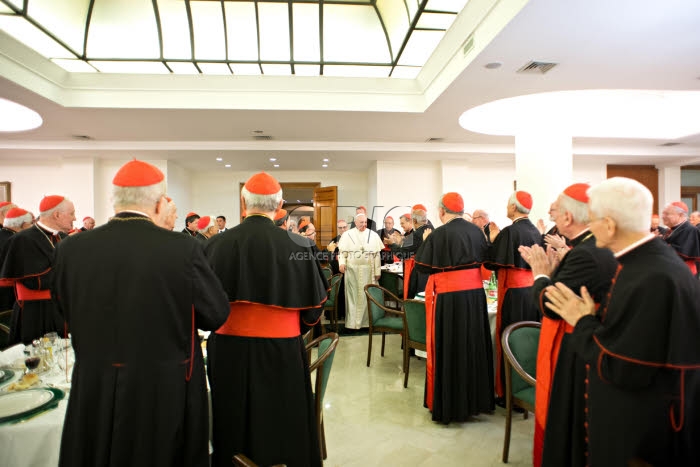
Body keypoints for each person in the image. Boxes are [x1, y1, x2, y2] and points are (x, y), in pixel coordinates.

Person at [51, 159, 229, 467]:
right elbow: (214, 314)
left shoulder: (71, 248)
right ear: (160, 203)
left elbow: (62, 308)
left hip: (95, 380)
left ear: (115, 200)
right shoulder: (182, 248)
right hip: (163, 385)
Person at [544, 177, 700, 467]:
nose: (589, 227)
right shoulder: (645, 262)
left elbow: (624, 367)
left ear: (610, 224)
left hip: (643, 430)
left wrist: (582, 321)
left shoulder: (652, 276)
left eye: (592, 220)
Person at [204, 172, 328, 467]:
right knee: (282, 418)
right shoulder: (301, 245)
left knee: (230, 417)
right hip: (282, 350)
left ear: (243, 203)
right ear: (280, 205)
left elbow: (204, 307)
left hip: (228, 350)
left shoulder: (213, 245)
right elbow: (314, 308)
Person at [519, 184, 618, 467]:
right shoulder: (588, 246)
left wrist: (540, 276)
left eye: (555, 209)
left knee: (568, 420)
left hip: (577, 349)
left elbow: (551, 303)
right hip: (587, 340)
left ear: (567, 218)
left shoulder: (586, 252)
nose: (552, 215)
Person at [414, 192, 493, 423]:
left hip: (449, 299)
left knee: (450, 346)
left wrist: (428, 240)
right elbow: (487, 262)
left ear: (441, 211)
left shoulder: (439, 234)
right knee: (474, 343)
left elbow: (422, 266)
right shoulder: (476, 231)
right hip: (475, 296)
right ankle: (475, 401)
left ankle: (450, 405)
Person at [485, 190, 543, 401]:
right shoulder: (536, 231)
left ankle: (509, 392)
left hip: (513, 294)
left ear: (513, 207)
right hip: (532, 293)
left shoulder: (510, 232)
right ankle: (529, 385)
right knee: (528, 341)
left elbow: (491, 261)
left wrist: (493, 240)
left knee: (509, 340)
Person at [0, 195, 73, 345]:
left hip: (60, 308)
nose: (75, 218)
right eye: (71, 213)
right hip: (35, 312)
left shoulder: (64, 237)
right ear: (57, 215)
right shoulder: (22, 239)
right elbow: (34, 282)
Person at [338, 212, 384, 330]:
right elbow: (342, 253)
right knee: (352, 297)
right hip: (352, 271)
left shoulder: (373, 235)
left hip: (368, 271)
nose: (363, 225)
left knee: (366, 296)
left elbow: (377, 255)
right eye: (361, 222)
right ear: (355, 223)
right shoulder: (347, 235)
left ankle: (366, 323)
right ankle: (352, 323)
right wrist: (342, 263)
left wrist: (378, 271)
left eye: (365, 222)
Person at [386, 205, 432, 299]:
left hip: (418, 272)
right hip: (431, 272)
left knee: (415, 298)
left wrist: (391, 244)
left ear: (414, 221)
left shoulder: (416, 234)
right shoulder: (433, 230)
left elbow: (402, 253)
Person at [0, 208, 34, 312]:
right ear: (24, 225)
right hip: (8, 291)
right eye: (31, 223)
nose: (32, 227)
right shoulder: (18, 240)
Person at [661, 201, 700, 274]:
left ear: (680, 215)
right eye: (663, 213)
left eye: (667, 214)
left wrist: (658, 243)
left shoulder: (690, 230)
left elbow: (682, 253)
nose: (663, 216)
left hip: (684, 273)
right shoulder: (671, 229)